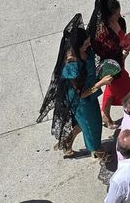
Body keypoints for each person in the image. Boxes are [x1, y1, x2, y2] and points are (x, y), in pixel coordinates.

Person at [38, 14, 109, 157]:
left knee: (85, 123)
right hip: (81, 101)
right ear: (77, 47)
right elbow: (80, 94)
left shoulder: (84, 51)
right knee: (92, 125)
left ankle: (67, 141)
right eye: (86, 44)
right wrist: (101, 83)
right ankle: (97, 151)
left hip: (90, 93)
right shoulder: (72, 65)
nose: (89, 46)